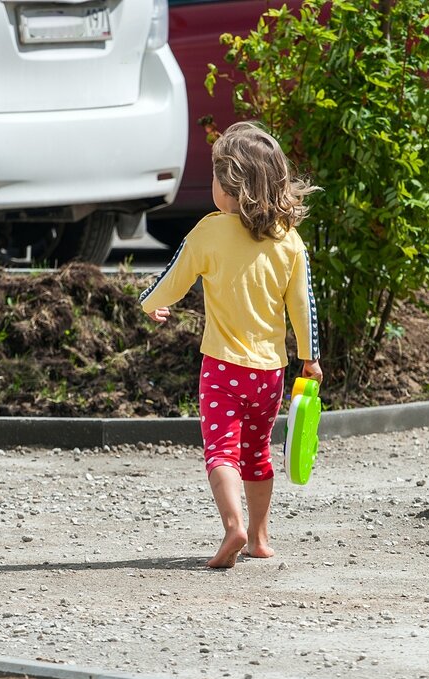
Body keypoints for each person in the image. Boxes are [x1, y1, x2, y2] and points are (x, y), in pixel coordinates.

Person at [140, 121, 323, 569]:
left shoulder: (209, 232)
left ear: (234, 189)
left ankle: (233, 526)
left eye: (216, 181)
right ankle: (260, 538)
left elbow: (174, 278)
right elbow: (304, 306)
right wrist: (309, 358)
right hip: (271, 374)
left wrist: (151, 303)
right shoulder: (290, 242)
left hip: (222, 369)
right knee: (258, 454)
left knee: (221, 451)